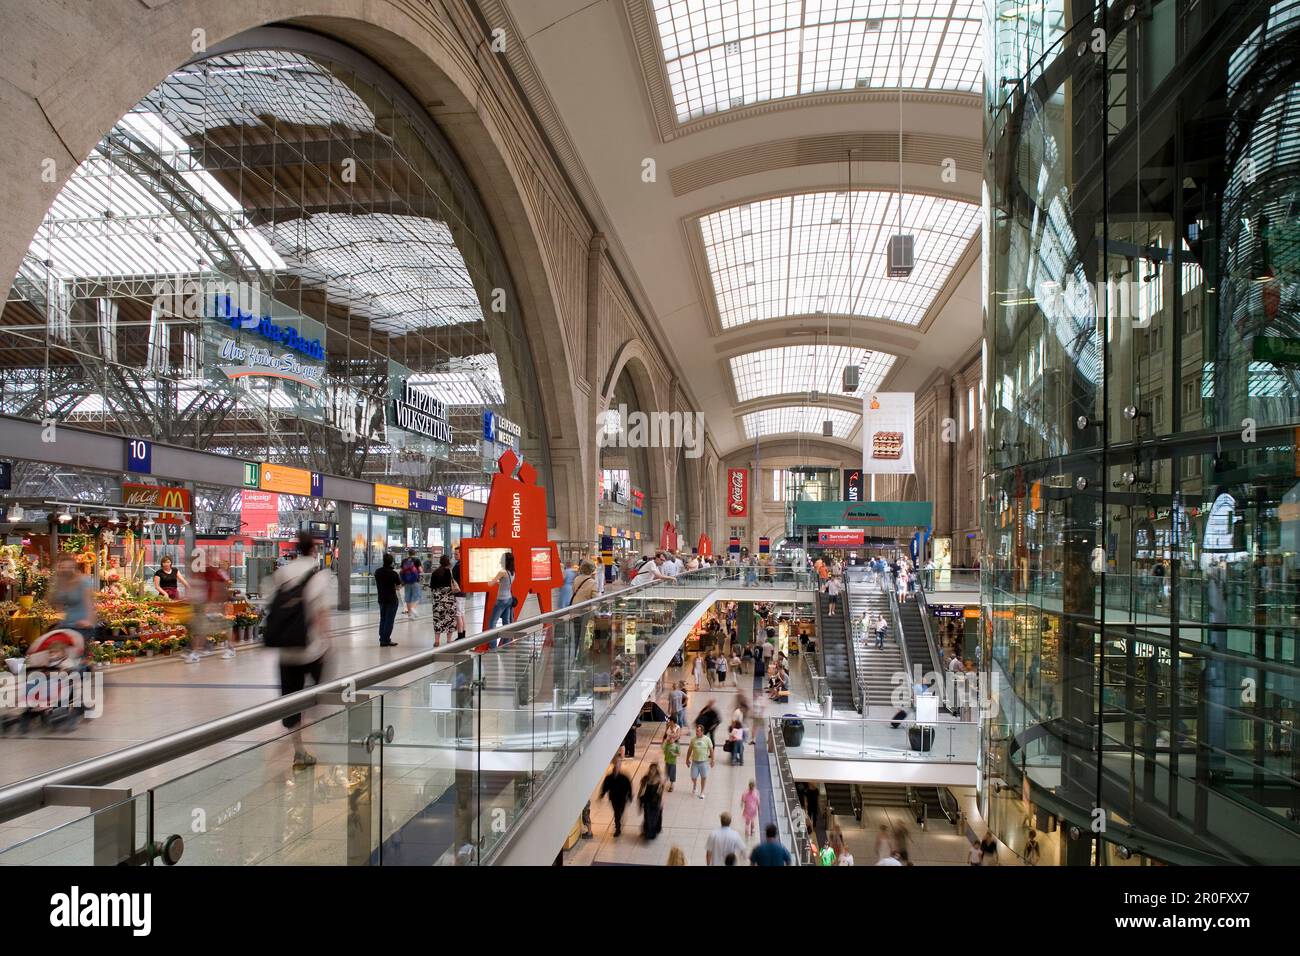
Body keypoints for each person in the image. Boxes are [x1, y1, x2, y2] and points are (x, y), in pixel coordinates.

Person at [267, 531, 334, 770]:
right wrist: (327, 642)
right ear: (314, 550)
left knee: (291, 701)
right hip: (312, 649)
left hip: (286, 650)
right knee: (318, 693)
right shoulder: (320, 575)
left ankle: (299, 748)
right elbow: (322, 615)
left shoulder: (283, 573)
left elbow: (272, 605)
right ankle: (320, 724)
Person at [51, 554, 95, 638]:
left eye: (69, 567)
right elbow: (56, 604)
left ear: (74, 567)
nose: (66, 570)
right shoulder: (62, 582)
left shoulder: (83, 581)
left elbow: (89, 603)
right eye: (63, 568)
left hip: (82, 625)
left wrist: (89, 620)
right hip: (67, 624)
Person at [600, 756, 633, 837]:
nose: (616, 768)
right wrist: (602, 794)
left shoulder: (624, 778)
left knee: (620, 812)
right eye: (615, 766)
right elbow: (605, 786)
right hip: (614, 798)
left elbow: (629, 787)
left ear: (620, 767)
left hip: (622, 798)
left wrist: (630, 796)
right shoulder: (609, 777)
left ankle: (618, 821)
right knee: (617, 813)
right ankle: (618, 828)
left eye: (618, 766)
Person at [428, 554, 457, 645]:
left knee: (438, 619)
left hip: (438, 600)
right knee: (450, 619)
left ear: (440, 562)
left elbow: (432, 586)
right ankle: (449, 640)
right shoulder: (449, 572)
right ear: (448, 562)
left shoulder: (435, 572)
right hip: (449, 598)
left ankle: (437, 641)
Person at [374, 553, 401, 648]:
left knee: (383, 619)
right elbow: (398, 586)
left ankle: (382, 638)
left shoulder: (377, 572)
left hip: (381, 598)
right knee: (389, 620)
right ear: (392, 562)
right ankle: (386, 640)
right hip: (392, 599)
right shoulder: (393, 573)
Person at [487, 552, 516, 629]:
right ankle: (508, 641)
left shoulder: (502, 572)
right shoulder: (512, 572)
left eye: (501, 560)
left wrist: (489, 579)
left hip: (501, 600)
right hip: (509, 599)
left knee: (492, 623)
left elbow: (490, 584)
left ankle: (492, 641)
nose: (500, 561)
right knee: (506, 622)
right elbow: (505, 583)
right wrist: (498, 582)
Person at [686, 723, 714, 798]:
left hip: (704, 762)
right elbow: (689, 750)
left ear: (702, 732)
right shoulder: (693, 740)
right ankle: (695, 785)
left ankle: (702, 792)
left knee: (703, 777)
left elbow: (711, 750)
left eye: (698, 731)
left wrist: (712, 760)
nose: (696, 732)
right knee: (693, 776)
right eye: (696, 731)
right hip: (695, 762)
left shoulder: (707, 739)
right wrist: (687, 759)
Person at [638, 763, 664, 840]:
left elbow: (661, 791)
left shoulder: (659, 780)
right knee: (647, 816)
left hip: (656, 801)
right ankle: (647, 832)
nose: (652, 771)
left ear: (656, 770)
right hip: (647, 800)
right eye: (651, 769)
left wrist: (661, 801)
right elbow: (641, 789)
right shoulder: (645, 778)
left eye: (654, 769)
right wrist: (638, 797)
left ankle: (652, 832)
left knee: (654, 817)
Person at [400, 551, 422, 616]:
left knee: (408, 597)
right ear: (415, 553)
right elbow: (420, 570)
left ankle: (409, 613)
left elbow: (401, 571)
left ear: (408, 554)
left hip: (406, 581)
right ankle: (413, 608)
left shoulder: (404, 560)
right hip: (415, 581)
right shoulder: (417, 560)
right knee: (417, 596)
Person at [662, 724, 680, 792]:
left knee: (672, 774)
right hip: (667, 761)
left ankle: (671, 785)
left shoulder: (676, 746)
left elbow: (679, 754)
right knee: (666, 773)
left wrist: (674, 754)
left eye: (672, 738)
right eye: (670, 737)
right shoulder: (667, 744)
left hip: (673, 762)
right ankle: (665, 783)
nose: (671, 739)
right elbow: (663, 749)